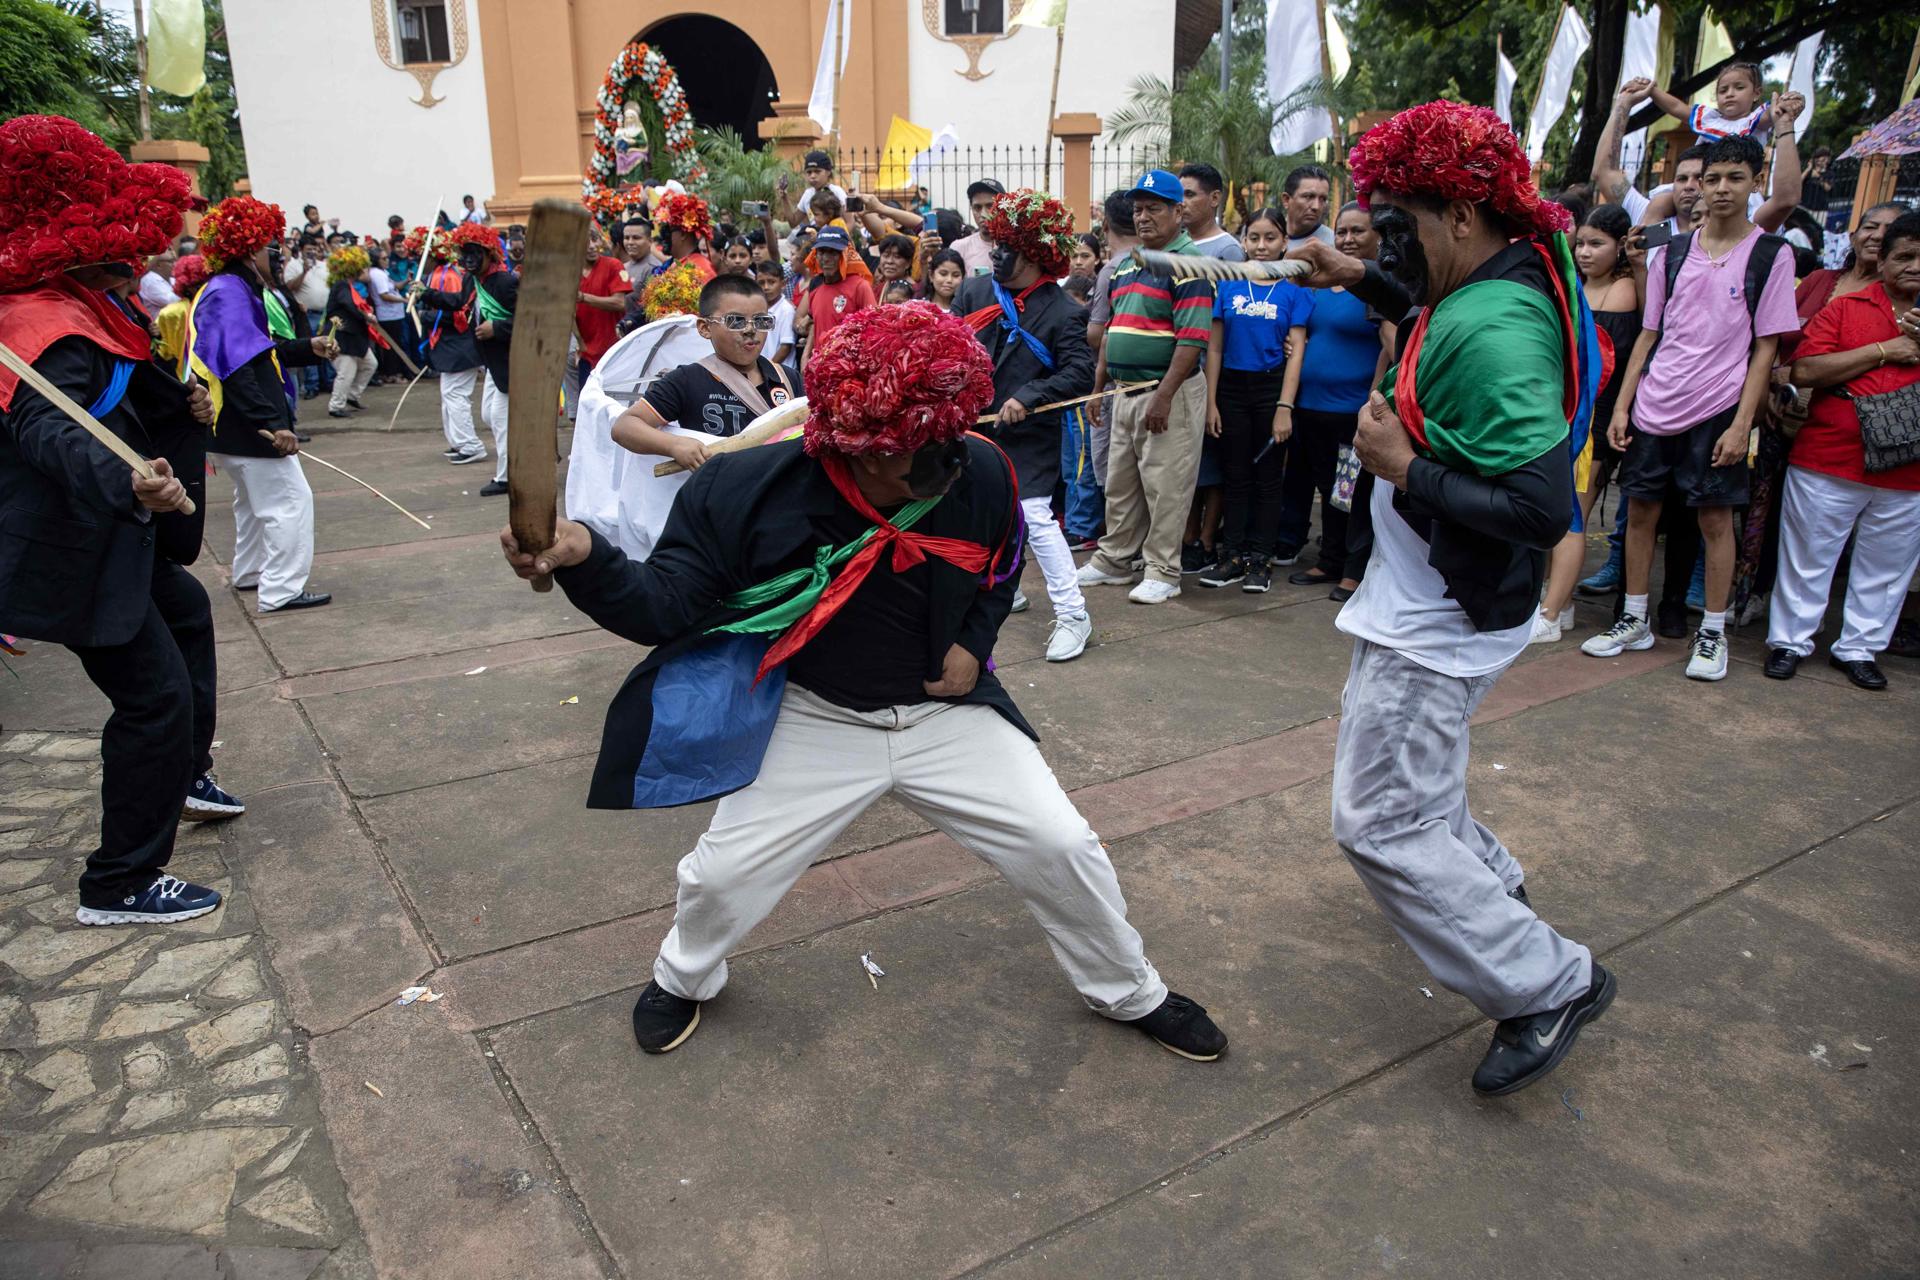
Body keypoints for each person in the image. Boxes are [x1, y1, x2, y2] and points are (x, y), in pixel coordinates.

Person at [498, 302, 1228, 1063]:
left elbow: (1000, 562)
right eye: (918, 450)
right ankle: (683, 978)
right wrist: (586, 557)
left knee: (1062, 843)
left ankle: (1129, 990)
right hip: (815, 712)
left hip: (944, 715)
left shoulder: (973, 465)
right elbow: (666, 604)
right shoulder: (743, 490)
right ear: (857, 446)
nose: (947, 460)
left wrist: (974, 645)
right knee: (722, 875)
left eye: (949, 437)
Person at [1293, 100, 1612, 1098]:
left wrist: (1399, 464)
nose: (1393, 245)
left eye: (1404, 227)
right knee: (1415, 790)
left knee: (1378, 820)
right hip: (1427, 595)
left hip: (1439, 616)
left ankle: (1544, 981)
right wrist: (1360, 278)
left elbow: (1539, 504)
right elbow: (1427, 296)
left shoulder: (1495, 328)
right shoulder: (1505, 260)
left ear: (1464, 217)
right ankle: (1492, 890)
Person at [0, 113, 231, 926]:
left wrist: (186, 408)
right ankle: (119, 883)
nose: (145, 255)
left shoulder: (80, 303)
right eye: (130, 239)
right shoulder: (41, 324)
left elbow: (125, 396)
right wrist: (132, 481)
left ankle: (185, 775)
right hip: (75, 547)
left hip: (113, 539)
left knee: (190, 611)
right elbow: (48, 429)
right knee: (154, 700)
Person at [1582, 136, 1799, 682]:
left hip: (1719, 409)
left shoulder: (1772, 254)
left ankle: (1713, 632)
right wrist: (1622, 407)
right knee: (1641, 513)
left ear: (1756, 181)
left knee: (1714, 518)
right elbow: (1648, 337)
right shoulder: (1672, 252)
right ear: (1699, 185)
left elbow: (1766, 348)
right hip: (1655, 404)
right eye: (1713, 178)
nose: (1722, 189)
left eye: (1735, 178)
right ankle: (1634, 618)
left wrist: (1742, 423)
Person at [1766, 211, 1920, 690]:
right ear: (1883, 257)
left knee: (1887, 567)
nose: (1915, 266)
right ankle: (1789, 642)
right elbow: (1804, 371)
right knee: (1808, 556)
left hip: (1909, 471)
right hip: (1830, 456)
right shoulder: (1847, 306)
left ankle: (1859, 648)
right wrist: (1887, 350)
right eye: (1905, 256)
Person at [957, 189, 1097, 661]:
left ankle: (1074, 614)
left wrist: (1029, 395)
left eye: (1006, 247)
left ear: (1036, 254)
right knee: (978, 512)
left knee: (1034, 516)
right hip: (973, 429)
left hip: (1029, 434)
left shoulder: (1064, 312)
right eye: (995, 244)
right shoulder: (975, 292)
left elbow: (1078, 373)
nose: (996, 254)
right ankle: (1005, 586)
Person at [1075, 170, 1213, 605]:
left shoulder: (1188, 264)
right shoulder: (1128, 264)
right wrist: (1099, 386)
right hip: (1124, 390)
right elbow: (1113, 329)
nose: (1144, 217)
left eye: (1154, 208)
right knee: (1122, 482)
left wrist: (1165, 396)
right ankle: (1115, 559)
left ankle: (1163, 571)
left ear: (1178, 212)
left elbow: (1192, 339)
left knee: (1165, 486)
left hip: (1166, 392)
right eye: (1137, 209)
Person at [192, 195, 332, 613]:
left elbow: (261, 352)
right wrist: (272, 423)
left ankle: (252, 572)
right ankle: (281, 590)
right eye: (271, 246)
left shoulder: (234, 288)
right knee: (290, 501)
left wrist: (310, 347)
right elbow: (236, 368)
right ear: (248, 249)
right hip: (246, 426)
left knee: (253, 503)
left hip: (237, 427)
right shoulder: (228, 291)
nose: (279, 253)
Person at [1530, 204, 1641, 644]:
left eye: (1597, 244)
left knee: (1572, 512)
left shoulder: (1623, 292)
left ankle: (1553, 611)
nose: (1586, 252)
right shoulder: (1568, 287)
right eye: (1581, 244)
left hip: (1589, 418)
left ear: (1620, 247)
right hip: (1561, 411)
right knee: (1554, 510)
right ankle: (1563, 602)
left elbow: (1597, 361)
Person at [1285, 202, 1394, 601]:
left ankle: (1354, 568)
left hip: (1352, 409)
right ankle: (1329, 559)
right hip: (1312, 406)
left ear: (1377, 236)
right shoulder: (1321, 282)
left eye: (1358, 231)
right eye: (1342, 231)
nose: (1348, 239)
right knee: (1328, 488)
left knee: (1353, 492)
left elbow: (1390, 346)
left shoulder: (1379, 285)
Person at [1200, 207, 1311, 592]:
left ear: (1284, 243)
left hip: (1271, 390)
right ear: (1243, 241)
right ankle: (1231, 557)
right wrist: (1211, 401)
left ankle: (1260, 562)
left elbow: (1296, 351)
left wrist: (1285, 407)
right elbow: (1214, 348)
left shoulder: (1294, 290)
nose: (1261, 246)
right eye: (1254, 237)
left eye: (1270, 238)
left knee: (1267, 481)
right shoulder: (1228, 286)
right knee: (1235, 478)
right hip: (1231, 389)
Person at [611, 273, 799, 475]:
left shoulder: (788, 379)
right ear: (705, 328)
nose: (750, 330)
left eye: (761, 321)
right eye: (735, 321)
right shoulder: (687, 380)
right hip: (717, 498)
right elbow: (624, 426)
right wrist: (675, 445)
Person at [412, 221, 518, 496]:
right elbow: (459, 301)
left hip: (511, 362)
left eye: (475, 253)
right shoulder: (473, 280)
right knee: (488, 414)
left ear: (489, 253)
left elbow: (529, 320)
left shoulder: (505, 282)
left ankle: (508, 477)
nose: (468, 259)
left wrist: (497, 328)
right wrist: (427, 293)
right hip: (491, 361)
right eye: (464, 253)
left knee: (499, 417)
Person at [407, 227, 486, 465]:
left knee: (455, 395)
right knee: (449, 394)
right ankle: (459, 442)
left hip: (459, 346)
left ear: (431, 255)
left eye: (419, 256)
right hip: (450, 347)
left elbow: (461, 314)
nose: (416, 261)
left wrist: (425, 314)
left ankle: (471, 445)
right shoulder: (438, 275)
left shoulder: (449, 276)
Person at [795, 226, 875, 368]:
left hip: (848, 372)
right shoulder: (815, 285)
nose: (826, 258)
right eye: (821, 252)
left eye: (833, 253)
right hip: (819, 370)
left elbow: (872, 331)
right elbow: (815, 324)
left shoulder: (860, 287)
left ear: (845, 255)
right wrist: (806, 356)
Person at [1647, 60, 1773, 145]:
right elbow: (1675, 106)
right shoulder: (1708, 119)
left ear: (1756, 93)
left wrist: (1787, 102)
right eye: (1723, 90)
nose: (1729, 94)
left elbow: (1773, 113)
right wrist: (1651, 90)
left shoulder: (1757, 121)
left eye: (1739, 88)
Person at [323, 245, 381, 419]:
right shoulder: (341, 286)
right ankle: (336, 406)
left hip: (354, 338)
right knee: (346, 372)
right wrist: (367, 316)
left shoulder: (348, 287)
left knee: (370, 364)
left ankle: (352, 396)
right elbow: (349, 304)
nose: (365, 270)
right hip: (342, 337)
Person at [575, 231, 630, 388]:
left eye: (595, 240)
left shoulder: (613, 265)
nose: (592, 246)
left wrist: (583, 297)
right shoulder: (571, 272)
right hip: (586, 355)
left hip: (614, 353)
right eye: (586, 242)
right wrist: (579, 343)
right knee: (587, 406)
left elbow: (620, 303)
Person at [282, 234, 332, 398]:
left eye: (314, 249)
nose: (312, 252)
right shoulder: (294, 266)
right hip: (307, 315)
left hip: (324, 313)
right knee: (311, 348)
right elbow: (289, 286)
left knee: (328, 346)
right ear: (301, 250)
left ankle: (328, 382)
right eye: (308, 249)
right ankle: (312, 386)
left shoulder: (323, 265)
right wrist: (304, 271)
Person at [1178, 162, 1247, 262]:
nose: (1182, 203)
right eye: (1179, 195)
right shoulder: (1174, 243)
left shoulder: (1228, 250)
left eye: (1189, 195)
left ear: (1214, 198)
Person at [366, 244, 409, 383]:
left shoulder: (384, 272)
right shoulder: (377, 274)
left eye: (387, 257)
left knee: (395, 344)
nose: (387, 260)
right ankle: (391, 374)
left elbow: (395, 286)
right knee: (391, 347)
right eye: (383, 258)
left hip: (394, 314)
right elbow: (384, 295)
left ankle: (393, 372)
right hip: (388, 316)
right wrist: (403, 300)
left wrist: (407, 280)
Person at [775, 149, 849, 226]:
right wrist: (784, 198)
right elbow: (793, 222)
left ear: (828, 172)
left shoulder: (837, 192)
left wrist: (838, 236)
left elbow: (850, 222)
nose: (812, 176)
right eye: (809, 172)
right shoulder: (808, 194)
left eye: (817, 171)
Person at [751, 258, 797, 365]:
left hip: (780, 371)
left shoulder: (786, 310)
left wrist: (769, 368)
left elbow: (785, 347)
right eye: (761, 283)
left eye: (771, 282)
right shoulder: (756, 309)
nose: (766, 287)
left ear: (783, 283)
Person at [1282, 165, 1335, 249]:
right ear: (1286, 200)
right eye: (1308, 197)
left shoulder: (1333, 246)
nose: (1316, 207)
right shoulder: (1263, 239)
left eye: (1323, 199)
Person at [923, 247, 966, 314]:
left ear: (963, 278)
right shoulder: (919, 309)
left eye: (956, 275)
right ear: (931, 275)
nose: (949, 280)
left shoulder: (967, 311)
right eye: (943, 274)